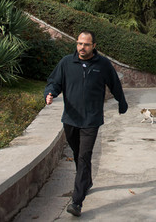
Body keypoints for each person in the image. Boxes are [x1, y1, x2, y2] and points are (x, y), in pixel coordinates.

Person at [44, 30, 128, 217]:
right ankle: (87, 181)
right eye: (80, 43)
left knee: (84, 157)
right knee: (77, 154)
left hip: (91, 119)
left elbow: (115, 84)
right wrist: (50, 93)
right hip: (71, 119)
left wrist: (122, 103)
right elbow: (54, 82)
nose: (82, 47)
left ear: (94, 46)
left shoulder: (103, 64)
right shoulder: (67, 62)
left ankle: (77, 201)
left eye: (86, 44)